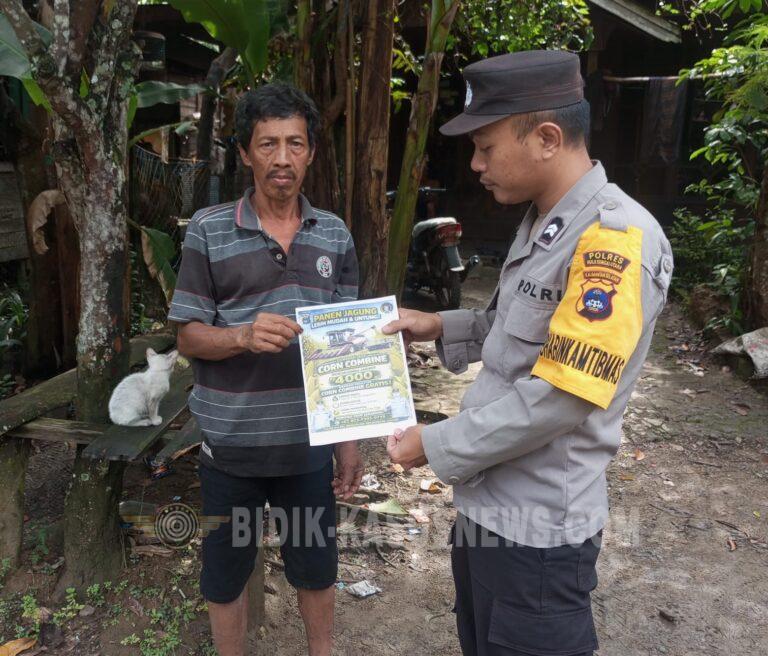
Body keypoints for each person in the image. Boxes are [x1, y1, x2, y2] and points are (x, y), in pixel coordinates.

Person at [384, 50, 673, 656]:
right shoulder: (548, 220)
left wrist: (433, 444)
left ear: (546, 138)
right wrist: (435, 324)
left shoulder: (612, 241)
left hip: (537, 533)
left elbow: (561, 397)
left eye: (485, 147)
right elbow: (510, 330)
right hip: (490, 508)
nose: (477, 164)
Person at [168, 82, 363, 656]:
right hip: (231, 445)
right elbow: (187, 336)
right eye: (268, 144)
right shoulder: (209, 229)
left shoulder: (334, 234)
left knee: (316, 566)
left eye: (295, 144)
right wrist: (243, 336)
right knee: (225, 571)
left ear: (310, 153)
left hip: (308, 443)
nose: (282, 159)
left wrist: (349, 443)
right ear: (247, 152)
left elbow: (350, 350)